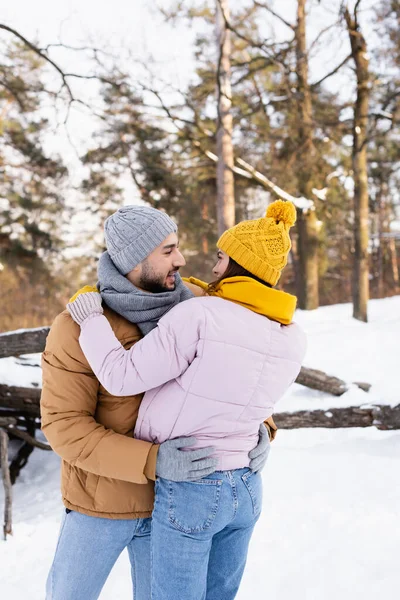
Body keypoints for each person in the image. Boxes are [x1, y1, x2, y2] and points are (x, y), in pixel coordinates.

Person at [67, 200, 307, 600]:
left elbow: (121, 376)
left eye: (220, 257)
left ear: (235, 264)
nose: (212, 268)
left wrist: (91, 318)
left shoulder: (200, 315)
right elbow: (241, 396)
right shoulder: (292, 336)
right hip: (247, 487)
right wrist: (264, 430)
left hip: (194, 487)